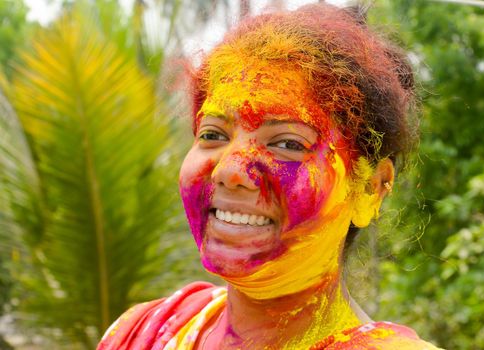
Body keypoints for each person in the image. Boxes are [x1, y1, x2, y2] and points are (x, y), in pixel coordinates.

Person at [98, 4, 441, 349]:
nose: (230, 171)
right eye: (213, 134)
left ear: (369, 188)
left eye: (288, 143)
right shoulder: (142, 332)